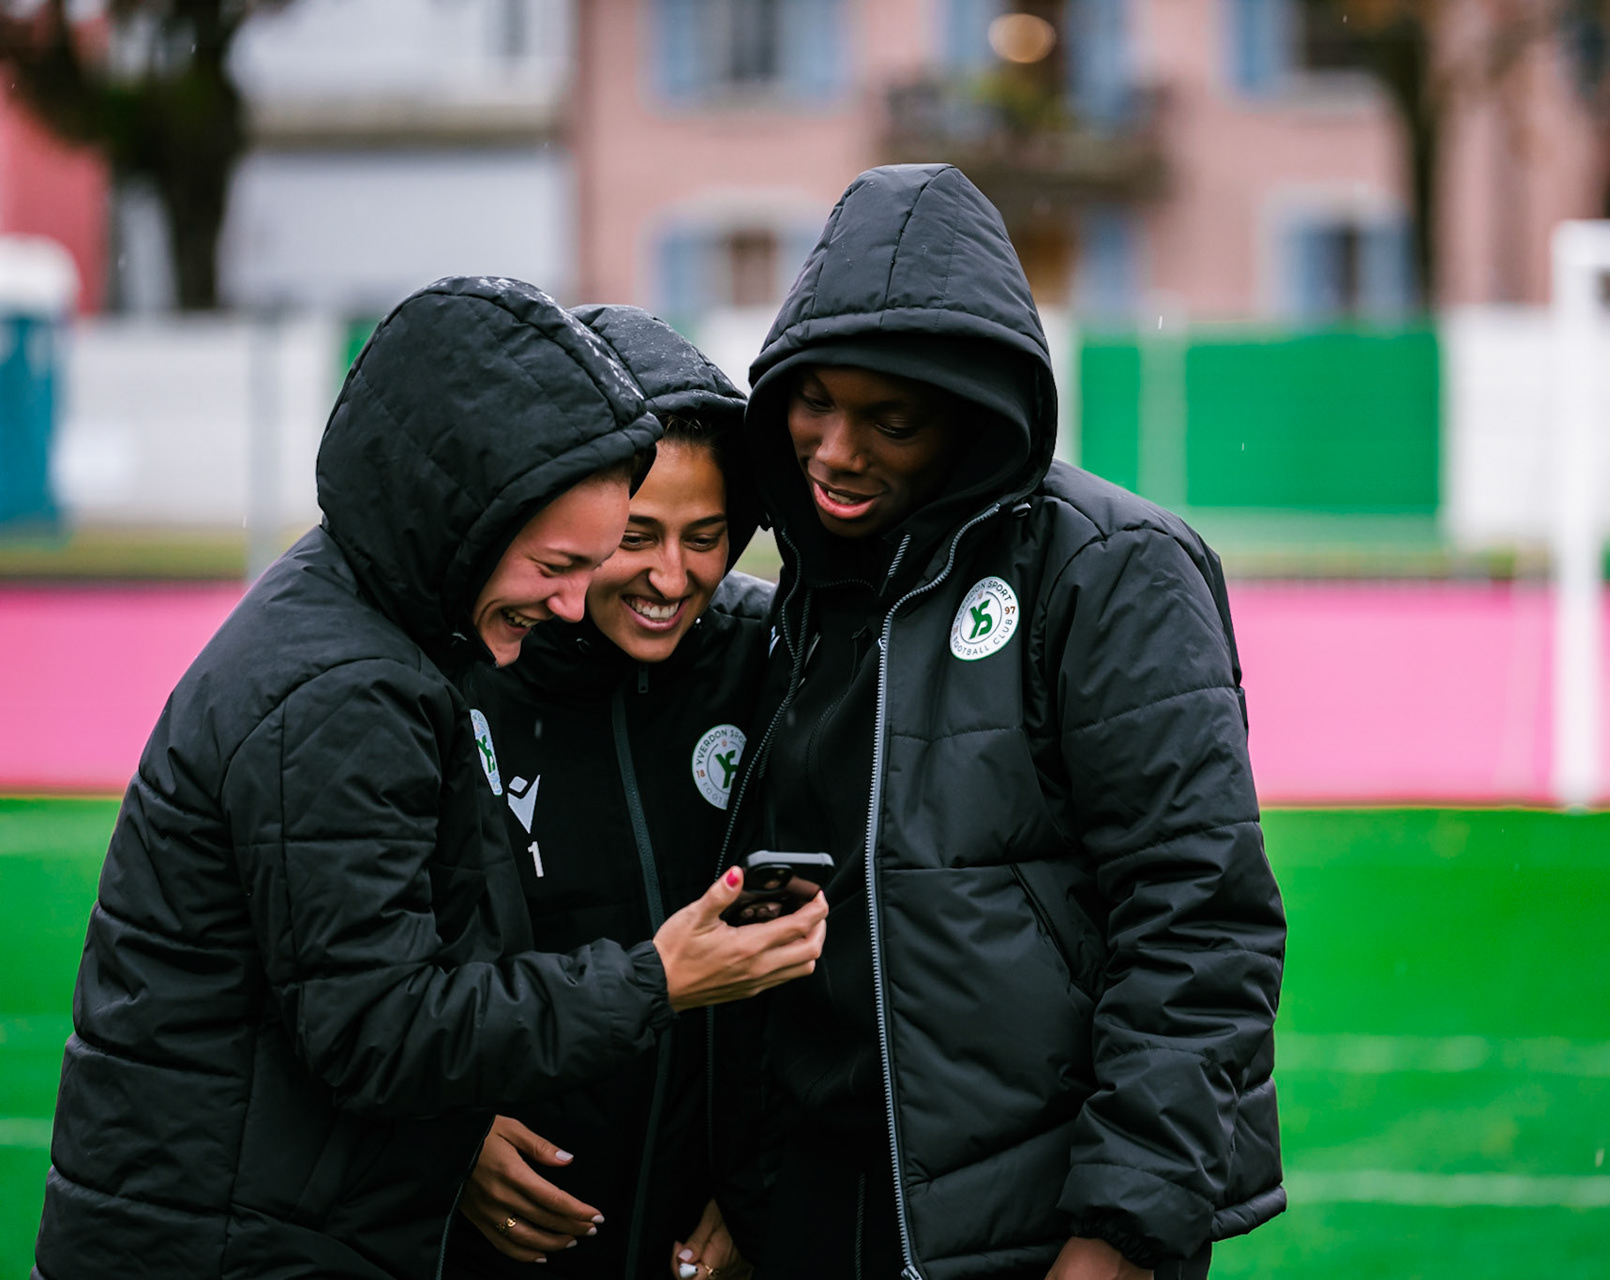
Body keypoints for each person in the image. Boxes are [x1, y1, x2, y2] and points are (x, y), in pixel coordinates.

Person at [32, 277, 824, 1280]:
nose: (584, 599)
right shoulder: (355, 685)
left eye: (703, 536)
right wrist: (655, 978)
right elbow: (380, 1021)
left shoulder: (392, 634)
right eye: (568, 558)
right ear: (477, 515)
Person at [727, 165, 1289, 1280]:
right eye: (815, 401)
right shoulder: (800, 590)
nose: (836, 451)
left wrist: (1123, 1224)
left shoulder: (1111, 568)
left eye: (891, 419)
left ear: (974, 415)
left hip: (1037, 1235)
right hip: (820, 1209)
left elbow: (1200, 920)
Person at [445, 305, 772, 1280]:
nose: (672, 576)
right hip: (507, 1239)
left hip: (702, 1239)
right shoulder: (461, 676)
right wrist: (446, 1137)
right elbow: (372, 971)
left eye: (707, 535)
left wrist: (766, 1180)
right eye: (635, 536)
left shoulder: (774, 658)